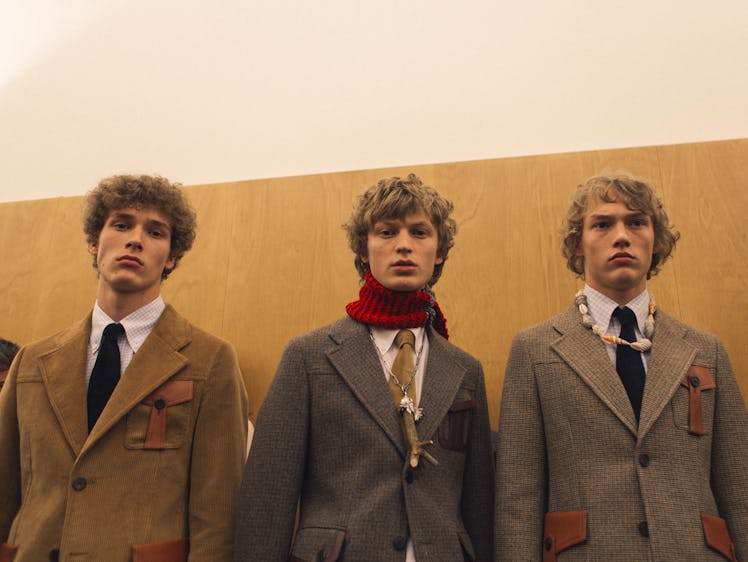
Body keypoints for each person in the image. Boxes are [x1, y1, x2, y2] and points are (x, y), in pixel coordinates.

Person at [235, 174, 493, 561]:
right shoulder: (309, 357)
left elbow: (479, 504)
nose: (403, 245)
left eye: (420, 233)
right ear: (363, 250)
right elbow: (267, 499)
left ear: (438, 251)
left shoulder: (464, 370)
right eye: (387, 232)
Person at [494, 172, 748, 561]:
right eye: (602, 224)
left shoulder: (705, 350)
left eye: (636, 222)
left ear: (656, 239)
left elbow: (738, 482)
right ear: (577, 244)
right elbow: (518, 494)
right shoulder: (535, 350)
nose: (621, 235)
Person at [0, 175, 248, 562]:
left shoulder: (210, 360)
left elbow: (219, 513)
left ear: (171, 258)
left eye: (155, 231)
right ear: (94, 243)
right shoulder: (31, 361)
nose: (135, 239)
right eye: (121, 224)